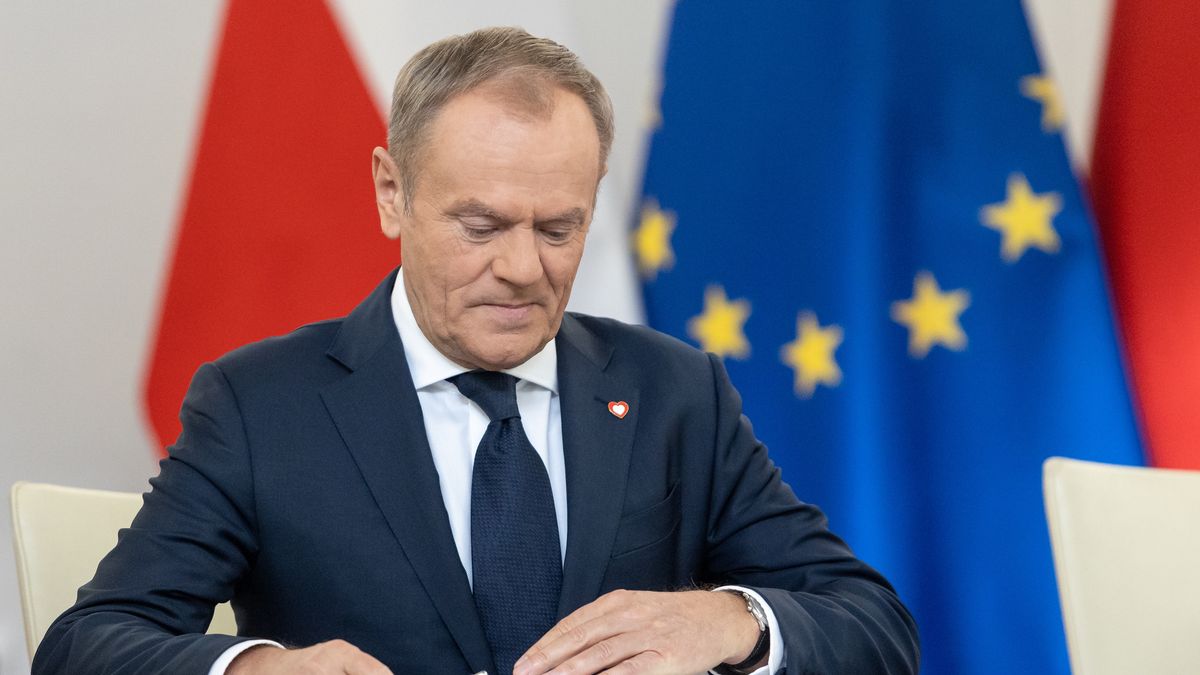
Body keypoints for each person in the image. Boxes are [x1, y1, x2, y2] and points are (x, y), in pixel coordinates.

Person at [33, 27, 918, 675]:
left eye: (559, 227)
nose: (523, 269)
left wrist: (733, 619)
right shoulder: (259, 405)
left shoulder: (674, 390)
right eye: (481, 224)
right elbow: (87, 645)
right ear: (392, 193)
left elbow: (874, 624)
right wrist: (257, 669)